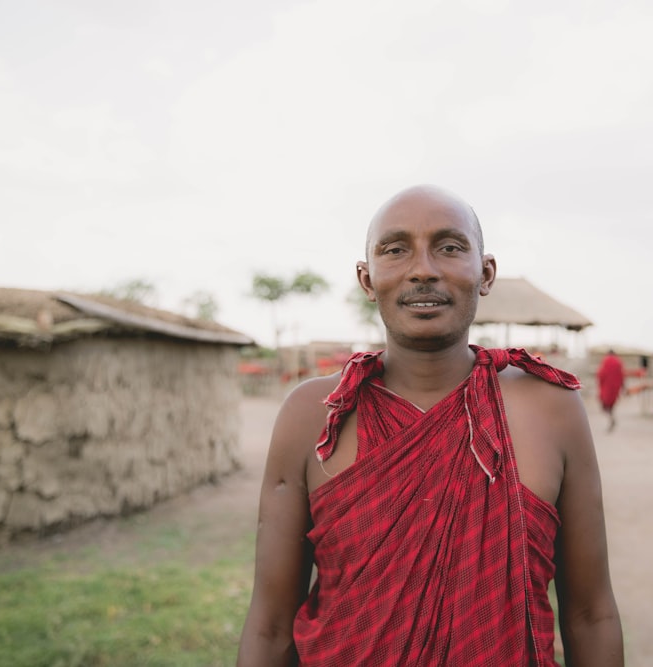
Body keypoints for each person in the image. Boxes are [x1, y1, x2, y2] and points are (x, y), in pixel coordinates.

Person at [236, 185, 623, 666]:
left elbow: (591, 614)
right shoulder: (313, 412)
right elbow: (271, 625)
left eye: (450, 247)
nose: (423, 268)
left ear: (485, 273)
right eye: (395, 250)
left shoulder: (551, 408)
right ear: (367, 278)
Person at [596, 349, 625, 432]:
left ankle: (611, 419)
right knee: (610, 406)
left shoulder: (606, 360)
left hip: (606, 387)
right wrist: (623, 387)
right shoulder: (618, 362)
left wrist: (599, 384)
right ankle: (611, 419)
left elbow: (601, 374)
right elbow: (622, 375)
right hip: (615, 387)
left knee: (605, 406)